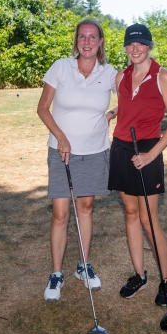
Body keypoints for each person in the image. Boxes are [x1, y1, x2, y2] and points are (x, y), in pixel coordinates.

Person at [37, 18, 118, 302]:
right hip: (62, 151)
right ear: (76, 41)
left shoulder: (109, 73)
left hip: (95, 150)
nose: (87, 42)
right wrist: (61, 137)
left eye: (92, 37)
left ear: (100, 42)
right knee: (60, 213)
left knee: (85, 207)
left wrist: (110, 114)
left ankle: (83, 266)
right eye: (82, 37)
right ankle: (56, 273)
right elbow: (43, 108)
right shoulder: (61, 67)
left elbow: (132, 98)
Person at [108, 23, 167, 306]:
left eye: (141, 44)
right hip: (121, 148)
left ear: (149, 46)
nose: (135, 49)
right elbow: (128, 105)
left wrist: (152, 156)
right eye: (130, 44)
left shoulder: (163, 76)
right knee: (129, 212)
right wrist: (114, 112)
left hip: (147, 149)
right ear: (126, 47)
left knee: (148, 221)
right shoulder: (120, 77)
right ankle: (140, 274)